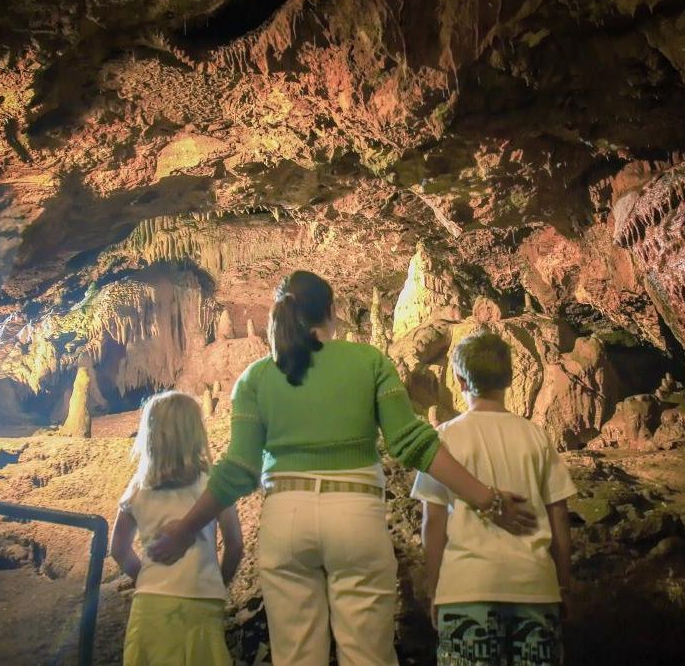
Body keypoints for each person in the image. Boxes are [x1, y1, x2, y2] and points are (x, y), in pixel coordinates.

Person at [147, 270, 536, 666]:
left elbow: (238, 469)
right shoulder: (369, 362)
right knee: (368, 656)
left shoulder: (256, 378)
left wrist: (184, 528)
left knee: (297, 658)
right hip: (355, 515)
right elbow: (413, 444)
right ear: (332, 311)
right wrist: (488, 500)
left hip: (287, 518)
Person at [411, 329, 576, 666]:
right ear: (511, 377)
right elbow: (559, 515)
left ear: (458, 380)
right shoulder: (536, 436)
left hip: (466, 590)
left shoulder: (444, 439)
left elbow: (433, 523)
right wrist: (562, 583)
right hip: (534, 587)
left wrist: (435, 588)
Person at [111, 391, 244, 666]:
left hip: (151, 602)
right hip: (201, 597)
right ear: (196, 432)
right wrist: (220, 580)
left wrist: (145, 577)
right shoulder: (213, 483)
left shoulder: (137, 487)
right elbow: (235, 545)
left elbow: (119, 550)